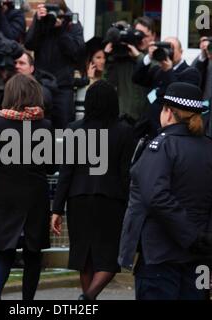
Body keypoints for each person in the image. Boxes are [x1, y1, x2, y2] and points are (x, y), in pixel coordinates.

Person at [118, 82, 212, 300]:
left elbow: (156, 197)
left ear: (169, 113)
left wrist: (191, 237)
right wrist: (210, 239)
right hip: (200, 260)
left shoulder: (161, 147)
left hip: (161, 257)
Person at [51, 80, 136, 300]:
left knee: (85, 257)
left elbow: (66, 173)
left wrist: (56, 209)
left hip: (78, 199)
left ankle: (87, 300)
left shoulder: (73, 130)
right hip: (112, 200)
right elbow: (126, 174)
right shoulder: (125, 132)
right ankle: (89, 298)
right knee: (110, 258)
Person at [0, 73, 57, 300]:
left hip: (5, 192)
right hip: (35, 194)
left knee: (4, 251)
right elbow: (51, 166)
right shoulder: (44, 125)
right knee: (33, 254)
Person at [25, 0, 85, 129]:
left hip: (63, 87)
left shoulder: (71, 23)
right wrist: (39, 22)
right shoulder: (42, 20)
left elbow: (77, 52)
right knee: (38, 127)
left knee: (63, 128)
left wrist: (61, 30)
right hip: (41, 85)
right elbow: (29, 44)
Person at [132, 36, 201, 138]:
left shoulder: (190, 72)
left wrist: (169, 70)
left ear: (181, 52)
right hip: (150, 128)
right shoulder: (158, 70)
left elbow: (181, 98)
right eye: (164, 49)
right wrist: (148, 57)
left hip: (173, 130)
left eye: (171, 48)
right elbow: (137, 79)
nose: (167, 52)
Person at [104, 17, 156, 122]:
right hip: (124, 118)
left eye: (144, 36)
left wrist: (139, 57)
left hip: (147, 120)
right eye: (137, 34)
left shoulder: (157, 56)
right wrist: (109, 58)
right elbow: (109, 84)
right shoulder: (122, 57)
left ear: (153, 36)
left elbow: (156, 73)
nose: (141, 39)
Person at [14, 50, 57, 119]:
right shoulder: (8, 84)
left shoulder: (41, 88)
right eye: (15, 63)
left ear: (31, 69)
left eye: (21, 63)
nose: (17, 66)